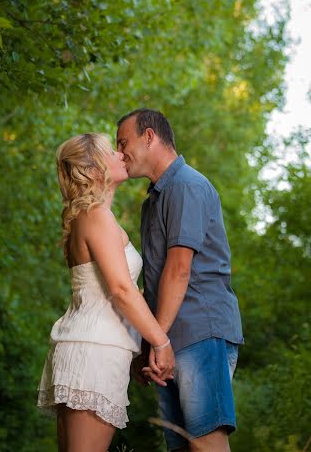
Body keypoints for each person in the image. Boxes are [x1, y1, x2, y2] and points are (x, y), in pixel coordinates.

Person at [37, 133, 175, 452]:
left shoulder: (94, 217)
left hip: (93, 348)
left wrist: (134, 350)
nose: (120, 153)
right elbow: (122, 290)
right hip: (92, 353)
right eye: (111, 150)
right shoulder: (95, 216)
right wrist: (160, 341)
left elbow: (110, 296)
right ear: (97, 167)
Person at [116, 109, 244, 452]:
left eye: (122, 142)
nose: (119, 152)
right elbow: (157, 282)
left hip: (201, 330)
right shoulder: (154, 199)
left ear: (149, 136)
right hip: (171, 340)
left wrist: (158, 342)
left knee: (205, 443)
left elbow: (179, 269)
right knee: (182, 447)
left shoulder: (186, 186)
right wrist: (149, 346)